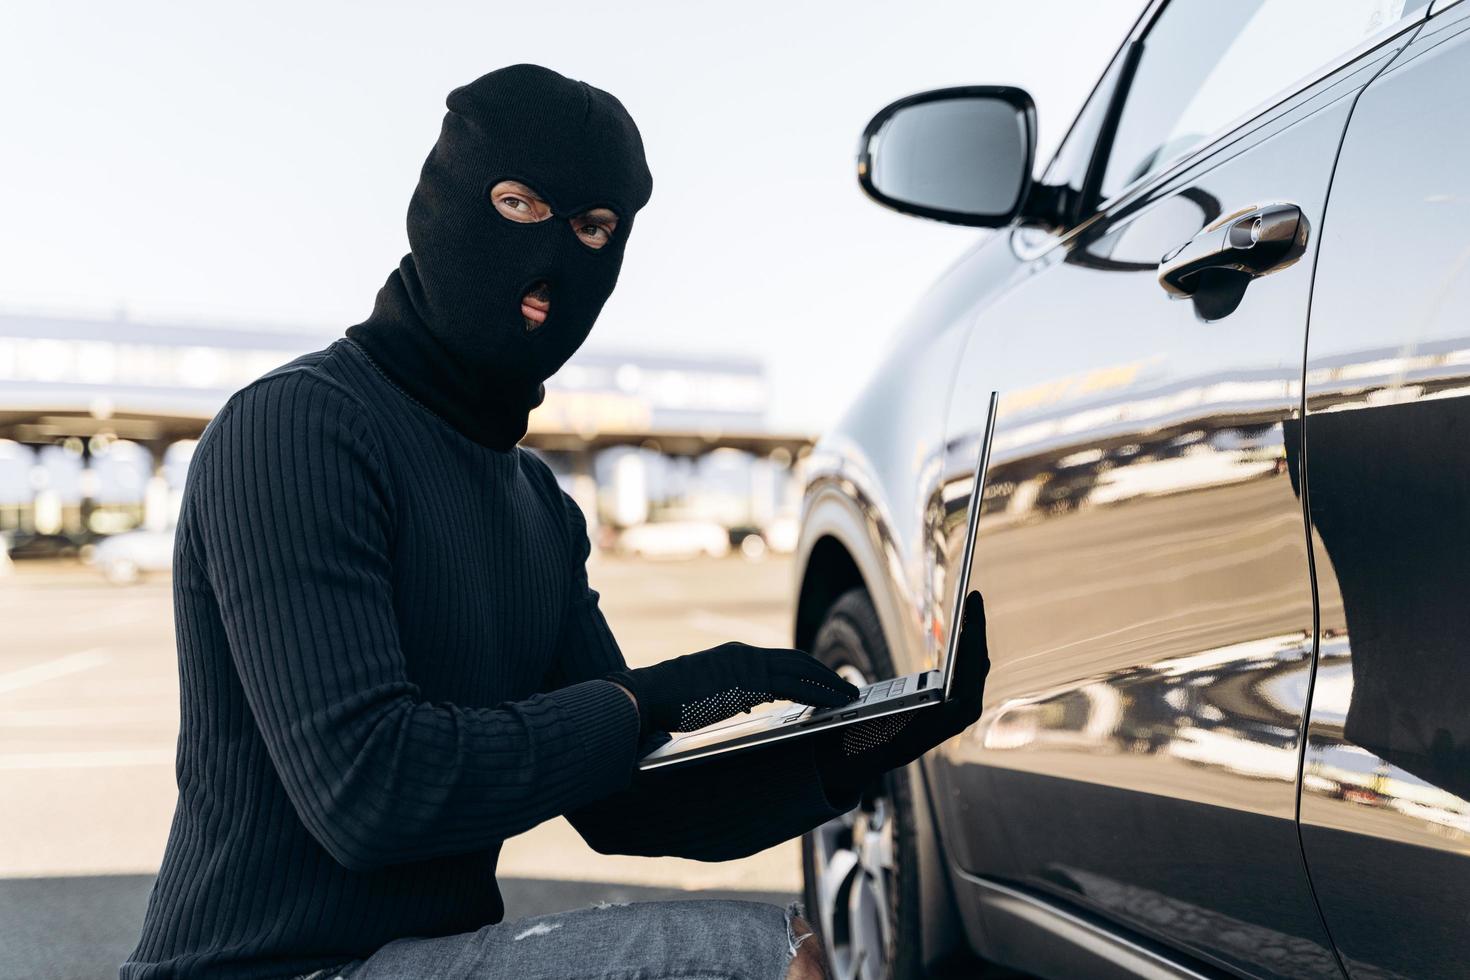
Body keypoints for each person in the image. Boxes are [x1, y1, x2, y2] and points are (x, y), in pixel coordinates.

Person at [121, 64, 989, 980]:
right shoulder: (298, 428)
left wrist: (861, 745)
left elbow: (628, 808)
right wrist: (646, 697)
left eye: (594, 229)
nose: (556, 262)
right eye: (520, 204)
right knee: (769, 960)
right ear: (441, 203)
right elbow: (367, 792)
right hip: (264, 969)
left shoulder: (535, 505)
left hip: (423, 959)